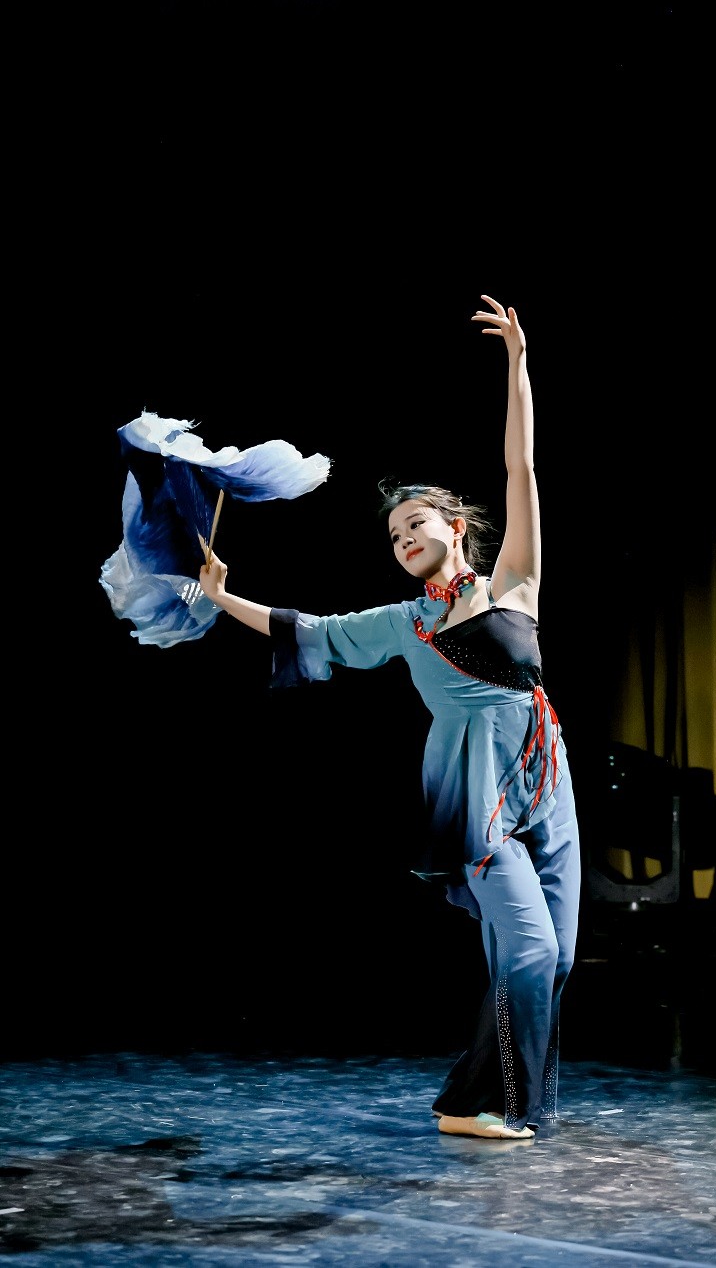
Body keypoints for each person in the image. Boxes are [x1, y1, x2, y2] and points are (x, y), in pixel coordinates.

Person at [198, 294, 582, 1139]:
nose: (404, 537)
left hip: (548, 785)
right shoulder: (404, 625)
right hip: (476, 797)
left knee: (556, 955)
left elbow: (521, 468)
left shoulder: (515, 584)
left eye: (416, 523)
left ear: (455, 526)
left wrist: (518, 363)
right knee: (529, 948)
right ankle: (480, 1103)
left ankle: (490, 1102)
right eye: (395, 534)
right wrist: (225, 597)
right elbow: (309, 629)